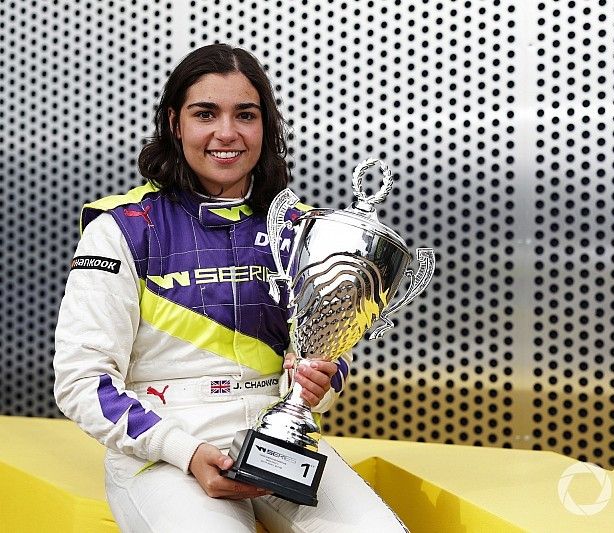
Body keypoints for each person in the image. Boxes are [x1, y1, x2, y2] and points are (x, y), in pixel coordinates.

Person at [53, 43, 407, 532]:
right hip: (164, 456)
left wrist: (317, 383)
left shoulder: (298, 228)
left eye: (245, 114)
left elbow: (330, 348)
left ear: (266, 126)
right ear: (176, 123)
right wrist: (185, 450)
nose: (227, 133)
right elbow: (81, 381)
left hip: (281, 449)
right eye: (206, 114)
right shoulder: (122, 227)